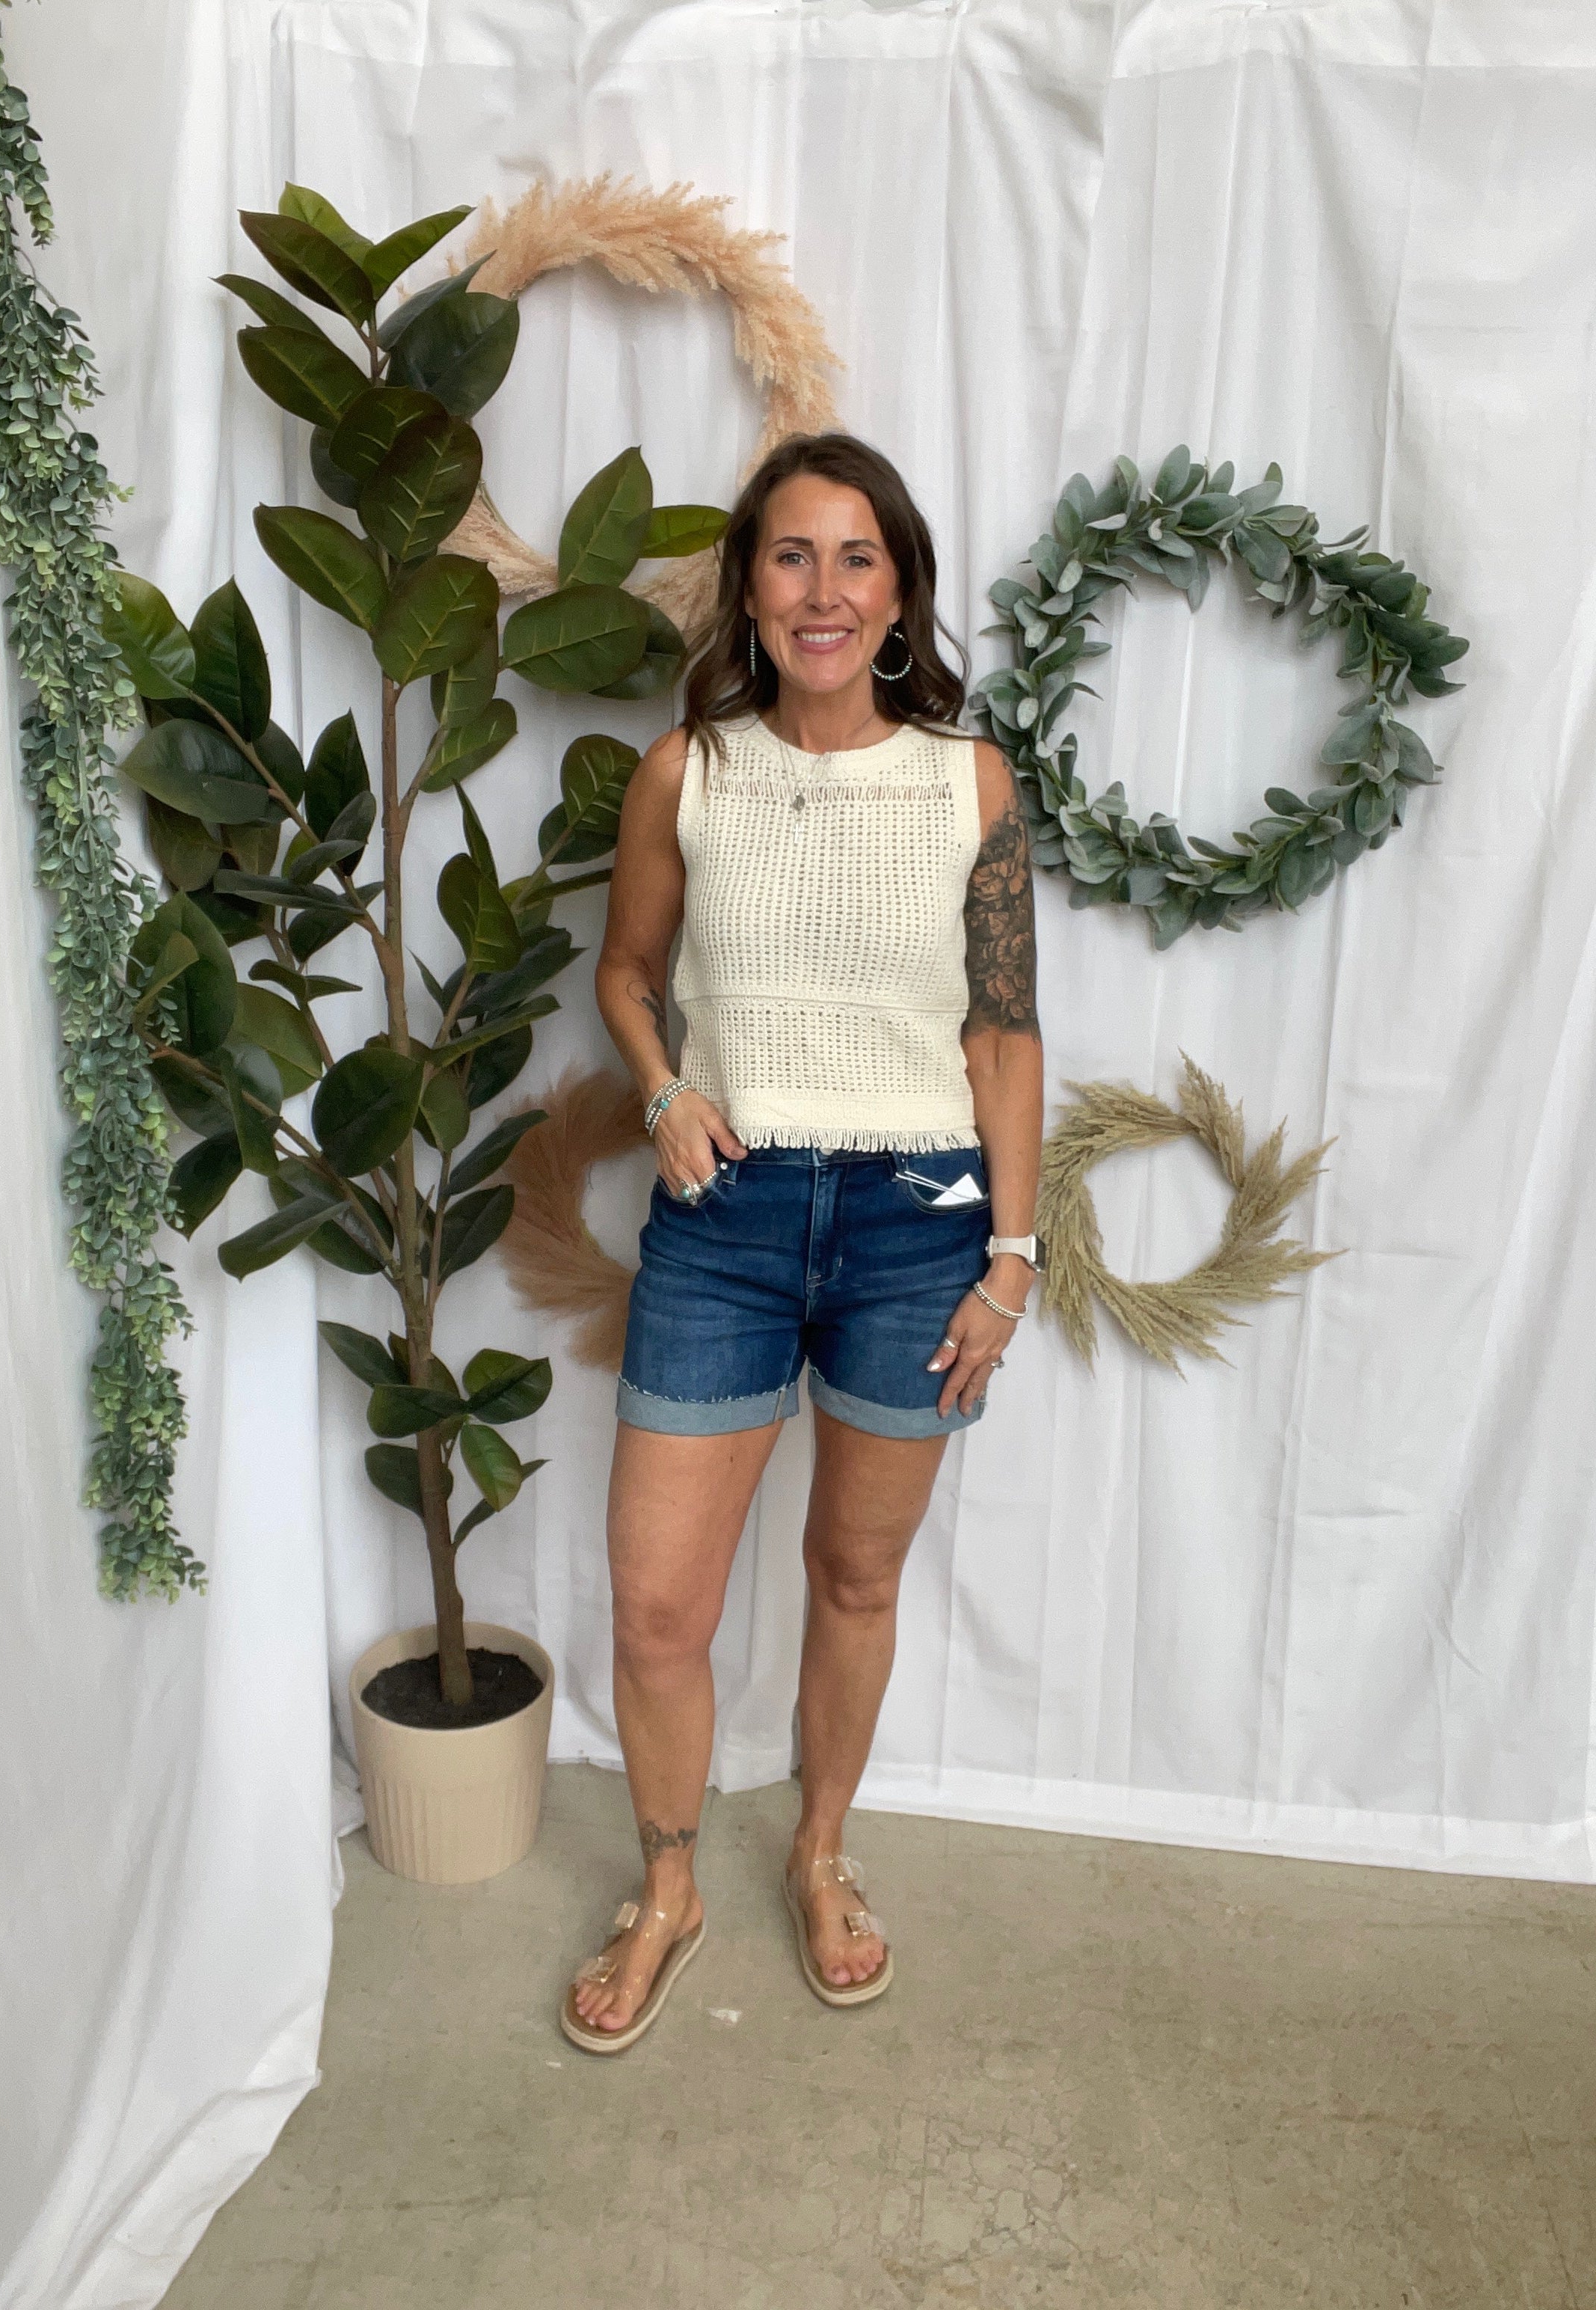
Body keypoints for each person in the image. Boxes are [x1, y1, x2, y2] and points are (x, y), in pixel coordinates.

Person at [561, 432, 1043, 2052]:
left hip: (920, 1229)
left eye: (857, 557)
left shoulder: (969, 781)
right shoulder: (686, 773)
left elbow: (1004, 1034)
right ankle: (669, 1889)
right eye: (791, 555)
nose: (823, 590)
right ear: (749, 587)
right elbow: (626, 970)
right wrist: (662, 1090)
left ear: (898, 591)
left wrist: (1015, 1259)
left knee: (855, 1572)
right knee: (656, 1610)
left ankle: (821, 1851)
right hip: (728, 1219)